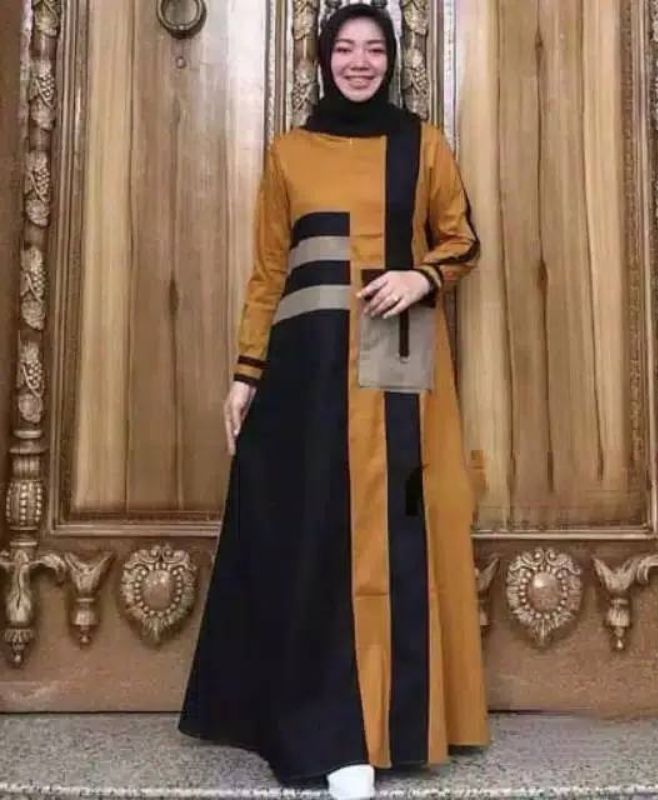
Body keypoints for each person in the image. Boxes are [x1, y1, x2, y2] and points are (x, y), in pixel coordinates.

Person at [178, 4, 488, 798]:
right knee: (313, 531)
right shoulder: (289, 152)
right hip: (303, 372)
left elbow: (462, 241)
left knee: (390, 529)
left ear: (391, 60)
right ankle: (323, 725)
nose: (359, 62)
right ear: (323, 58)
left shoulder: (422, 144)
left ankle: (382, 726)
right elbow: (268, 270)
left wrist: (420, 276)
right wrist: (246, 373)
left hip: (395, 354)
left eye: (374, 49)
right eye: (345, 48)